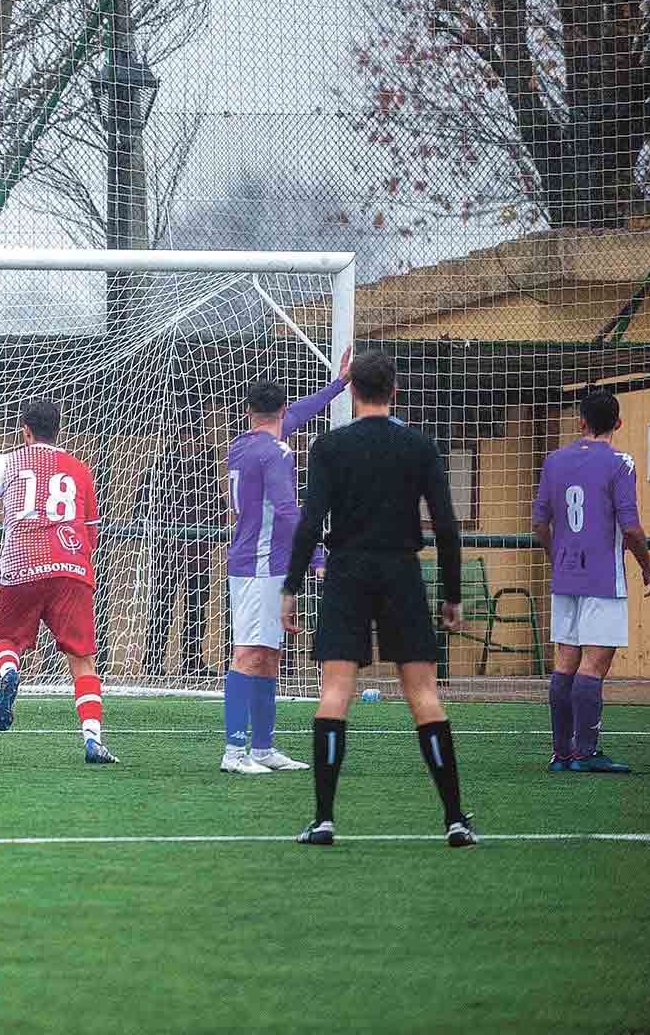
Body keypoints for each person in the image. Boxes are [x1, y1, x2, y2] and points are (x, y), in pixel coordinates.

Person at [281, 349, 474, 847]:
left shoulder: (329, 447)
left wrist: (291, 588)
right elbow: (447, 527)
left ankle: (323, 819)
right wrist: (451, 594)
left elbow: (309, 524)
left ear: (351, 390)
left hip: (346, 571)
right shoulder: (418, 446)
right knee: (424, 695)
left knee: (335, 693)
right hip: (401, 571)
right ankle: (455, 818)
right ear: (395, 391)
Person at [0, 398, 118, 764]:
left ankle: (9, 671)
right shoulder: (79, 469)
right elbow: (91, 532)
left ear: (25, 430)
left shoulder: (9, 461)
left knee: (8, 641)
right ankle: (93, 739)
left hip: (21, 565)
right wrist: (78, 565)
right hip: (70, 569)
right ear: (59, 430)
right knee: (82, 659)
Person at [218, 347, 349, 775]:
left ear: (250, 411)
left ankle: (262, 748)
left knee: (269, 654)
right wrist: (315, 556)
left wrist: (339, 384)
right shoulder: (276, 454)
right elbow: (290, 511)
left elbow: (299, 415)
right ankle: (233, 753)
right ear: (282, 410)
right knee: (249, 654)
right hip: (259, 565)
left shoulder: (245, 444)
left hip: (263, 563)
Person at [532, 389, 650, 773]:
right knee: (594, 664)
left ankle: (560, 754)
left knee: (565, 662)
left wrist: (559, 557)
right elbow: (631, 528)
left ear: (581, 421)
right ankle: (585, 753)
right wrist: (648, 567)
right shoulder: (621, 462)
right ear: (618, 424)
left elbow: (539, 523)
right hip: (604, 576)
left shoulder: (553, 460)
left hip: (566, 575)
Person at [134, 428, 222, 684]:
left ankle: (193, 660)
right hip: (168, 550)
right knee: (161, 605)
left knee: (197, 607)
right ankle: (152, 660)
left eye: (194, 439)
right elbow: (142, 504)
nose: (189, 444)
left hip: (198, 552)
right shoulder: (160, 470)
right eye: (184, 438)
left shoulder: (207, 473)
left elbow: (217, 505)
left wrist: (212, 537)